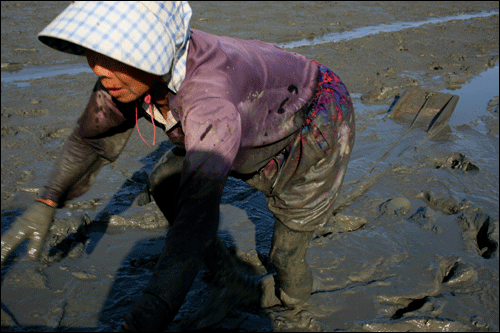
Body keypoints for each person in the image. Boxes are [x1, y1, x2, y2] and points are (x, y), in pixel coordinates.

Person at [0, 1, 355, 331]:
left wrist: (150, 314)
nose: (97, 68)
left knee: (287, 247)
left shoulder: (208, 99)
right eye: (93, 53)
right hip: (248, 108)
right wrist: (47, 201)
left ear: (150, 54)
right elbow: (91, 139)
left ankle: (294, 308)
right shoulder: (127, 78)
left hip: (314, 113)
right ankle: (229, 279)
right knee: (164, 181)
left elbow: (193, 225)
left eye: (112, 57)